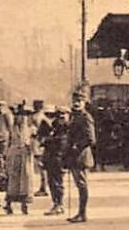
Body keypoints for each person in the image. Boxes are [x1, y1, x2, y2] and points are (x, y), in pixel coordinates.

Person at [64, 94, 96, 222]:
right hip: (74, 156)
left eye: (79, 101)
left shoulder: (85, 117)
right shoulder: (75, 116)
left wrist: (77, 146)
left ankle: (82, 213)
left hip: (81, 156)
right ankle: (80, 213)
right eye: (74, 101)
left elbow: (91, 139)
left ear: (84, 102)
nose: (76, 103)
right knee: (79, 185)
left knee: (82, 185)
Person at [2, 106, 38, 215]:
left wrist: (31, 147)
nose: (21, 118)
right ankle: (8, 204)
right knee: (12, 180)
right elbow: (8, 142)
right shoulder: (12, 128)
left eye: (23, 116)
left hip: (25, 156)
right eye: (18, 116)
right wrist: (5, 155)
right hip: (13, 156)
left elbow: (36, 141)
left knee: (25, 180)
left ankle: (24, 205)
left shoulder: (31, 128)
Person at [41, 108, 68, 216]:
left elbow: (63, 141)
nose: (61, 119)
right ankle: (56, 203)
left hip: (59, 157)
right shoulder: (54, 126)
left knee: (58, 181)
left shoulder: (66, 128)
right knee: (52, 182)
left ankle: (59, 204)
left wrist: (49, 140)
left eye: (63, 116)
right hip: (51, 157)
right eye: (59, 116)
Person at [0, 101, 12, 190]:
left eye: (1, 106)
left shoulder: (6, 116)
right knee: (0, 158)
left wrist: (10, 139)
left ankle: (5, 177)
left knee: (4, 157)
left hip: (5, 139)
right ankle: (2, 176)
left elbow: (10, 128)